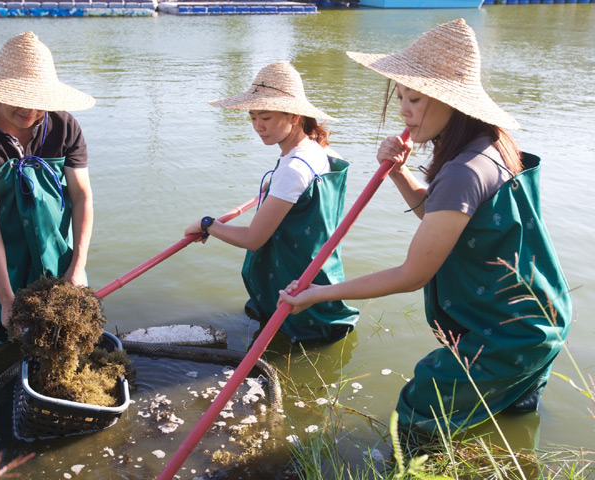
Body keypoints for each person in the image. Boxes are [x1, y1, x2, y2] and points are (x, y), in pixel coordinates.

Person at [278, 19, 571, 438]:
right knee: (511, 417)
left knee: (420, 406)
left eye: (414, 98)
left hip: (511, 332)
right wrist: (399, 174)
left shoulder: (463, 170)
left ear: (451, 102)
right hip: (540, 318)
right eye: (400, 96)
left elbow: (412, 274)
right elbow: (444, 221)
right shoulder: (491, 144)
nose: (403, 109)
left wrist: (319, 294)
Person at [185, 61, 359, 344]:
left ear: (292, 116)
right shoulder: (318, 150)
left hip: (295, 295)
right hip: (318, 276)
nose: (257, 126)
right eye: (252, 117)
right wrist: (273, 188)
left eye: (265, 117)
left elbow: (254, 239)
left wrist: (207, 225)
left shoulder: (293, 168)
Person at [0, 31, 95, 344]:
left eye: (39, 101)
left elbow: (82, 197)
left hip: (56, 261)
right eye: (18, 99)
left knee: (64, 342)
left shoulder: (65, 128)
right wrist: (7, 300)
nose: (30, 110)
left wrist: (77, 267)